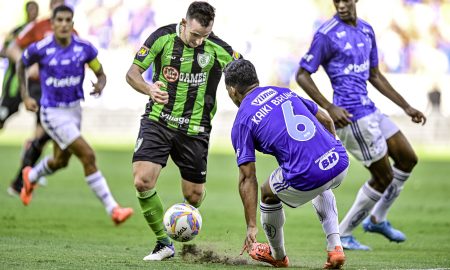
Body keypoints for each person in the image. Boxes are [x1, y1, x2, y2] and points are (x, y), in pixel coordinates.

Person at [296, 0, 426, 250]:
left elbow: (374, 75)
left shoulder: (367, 30)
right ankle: (343, 234)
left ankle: (377, 218)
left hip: (369, 109)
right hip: (350, 116)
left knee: (408, 159)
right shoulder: (326, 34)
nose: (341, 5)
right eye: (336, 1)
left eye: (346, 0)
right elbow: (302, 74)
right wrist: (328, 107)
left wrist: (406, 106)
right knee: (384, 176)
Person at [125, 1, 241, 261]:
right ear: (185, 22)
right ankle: (163, 242)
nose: (200, 41)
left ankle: (185, 219)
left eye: (206, 36)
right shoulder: (162, 38)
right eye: (196, 35)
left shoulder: (218, 49)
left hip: (196, 129)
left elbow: (244, 76)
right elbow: (132, 73)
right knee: (142, 180)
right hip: (159, 120)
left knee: (194, 195)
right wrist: (149, 89)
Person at [224, 59, 349, 269]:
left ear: (232, 91)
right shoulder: (284, 92)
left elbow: (247, 177)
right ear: (256, 80)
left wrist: (251, 225)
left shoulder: (242, 119)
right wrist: (332, 146)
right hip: (339, 161)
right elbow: (326, 119)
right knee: (322, 182)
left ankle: (278, 256)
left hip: (309, 174)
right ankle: (335, 248)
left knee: (267, 192)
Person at [18, 5, 133, 225]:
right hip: (52, 112)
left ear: (72, 24)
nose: (63, 24)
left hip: (74, 111)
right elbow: (20, 63)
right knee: (88, 155)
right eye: (59, 20)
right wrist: (25, 95)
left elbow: (100, 72)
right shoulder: (41, 48)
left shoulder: (84, 49)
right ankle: (114, 209)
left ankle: (30, 176)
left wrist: (100, 84)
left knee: (60, 161)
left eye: (67, 20)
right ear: (52, 24)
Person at [5, 0, 67, 196]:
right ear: (50, 6)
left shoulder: (71, 31)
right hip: (37, 86)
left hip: (57, 90)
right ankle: (25, 177)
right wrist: (27, 61)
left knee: (42, 134)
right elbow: (12, 48)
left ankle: (22, 179)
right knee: (45, 131)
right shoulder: (38, 27)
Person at [0, 1, 39, 129]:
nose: (33, 13)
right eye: (31, 10)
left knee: (43, 117)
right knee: (3, 113)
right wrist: (21, 57)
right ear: (26, 12)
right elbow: (4, 51)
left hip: (36, 81)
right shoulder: (17, 31)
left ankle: (34, 146)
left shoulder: (42, 31)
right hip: (14, 81)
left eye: (35, 9)